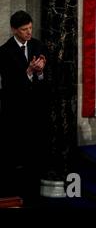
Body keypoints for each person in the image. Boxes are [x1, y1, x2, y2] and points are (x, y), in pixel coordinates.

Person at [0, 10, 49, 205]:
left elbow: (46, 78)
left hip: (35, 113)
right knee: (14, 159)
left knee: (34, 159)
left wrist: (40, 72)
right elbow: (8, 87)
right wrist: (28, 72)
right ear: (14, 30)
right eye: (24, 29)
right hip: (15, 115)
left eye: (30, 28)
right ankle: (14, 197)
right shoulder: (4, 52)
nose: (29, 32)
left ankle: (34, 196)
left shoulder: (38, 45)